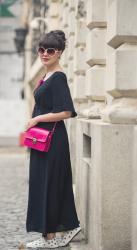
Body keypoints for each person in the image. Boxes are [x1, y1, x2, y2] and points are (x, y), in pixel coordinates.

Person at [25, 30, 81, 249]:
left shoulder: (58, 77)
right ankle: (51, 233)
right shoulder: (47, 75)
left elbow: (67, 111)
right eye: (41, 49)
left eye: (50, 50)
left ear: (59, 53)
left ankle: (55, 235)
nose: (45, 54)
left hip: (53, 139)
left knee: (51, 184)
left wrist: (37, 118)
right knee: (42, 184)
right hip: (40, 139)